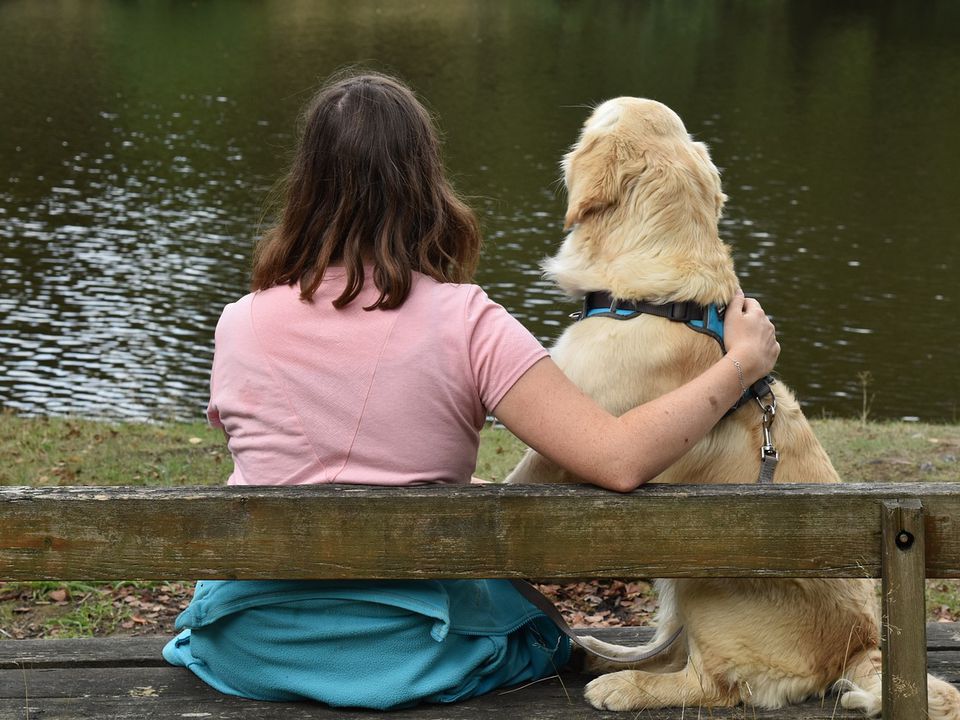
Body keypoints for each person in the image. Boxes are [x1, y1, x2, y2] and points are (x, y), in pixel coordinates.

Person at [163, 71, 779, 710]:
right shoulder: (467, 320)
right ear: (424, 182)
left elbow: (294, 456)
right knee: (537, 628)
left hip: (247, 646)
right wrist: (741, 362)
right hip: (421, 653)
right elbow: (619, 460)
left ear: (307, 185)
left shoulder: (240, 321)